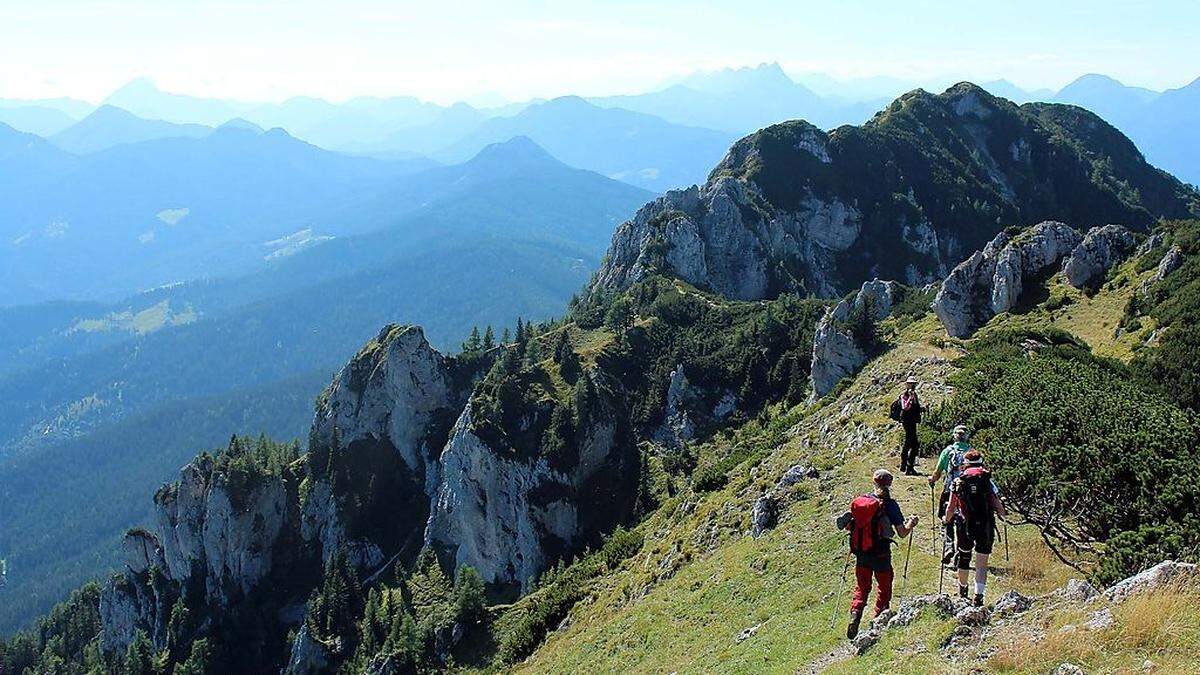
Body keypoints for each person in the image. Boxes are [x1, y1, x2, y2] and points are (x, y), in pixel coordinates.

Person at [835, 469, 919, 639]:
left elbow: (850, 526)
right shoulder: (890, 505)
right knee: (884, 587)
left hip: (862, 554)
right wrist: (911, 523)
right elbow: (902, 533)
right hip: (881, 553)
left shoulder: (862, 502)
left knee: (862, 587)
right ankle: (877, 621)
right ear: (890, 484)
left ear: (873, 482)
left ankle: (856, 614)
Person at [943, 449, 1006, 606]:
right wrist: (1002, 513)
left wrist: (946, 520)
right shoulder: (986, 479)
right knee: (981, 562)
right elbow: (997, 503)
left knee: (964, 559)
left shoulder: (958, 481)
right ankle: (979, 595)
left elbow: (951, 507)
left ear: (965, 464)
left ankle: (963, 590)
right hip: (985, 523)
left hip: (965, 524)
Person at [928, 425, 972, 564]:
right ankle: (961, 550)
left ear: (954, 436)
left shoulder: (948, 451)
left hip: (949, 489)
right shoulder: (972, 453)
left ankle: (948, 546)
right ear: (967, 436)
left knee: (946, 518)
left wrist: (932, 480)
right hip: (967, 492)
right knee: (964, 520)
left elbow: (938, 471)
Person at [891, 376, 924, 475]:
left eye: (913, 384)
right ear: (907, 385)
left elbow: (915, 408)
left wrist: (922, 409)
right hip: (907, 421)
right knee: (912, 444)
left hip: (912, 421)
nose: (912, 385)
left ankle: (905, 466)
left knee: (910, 444)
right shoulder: (904, 395)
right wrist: (910, 397)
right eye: (910, 383)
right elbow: (905, 407)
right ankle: (907, 466)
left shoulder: (914, 395)